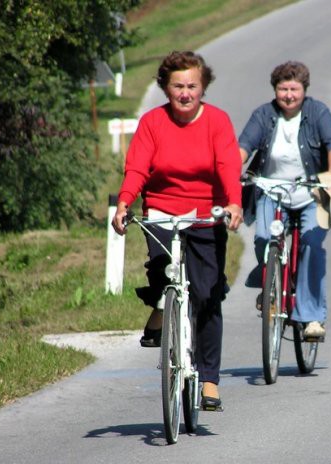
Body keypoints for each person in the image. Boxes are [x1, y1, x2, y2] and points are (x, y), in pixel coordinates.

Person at [112, 51, 243, 410]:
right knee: (160, 272)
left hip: (205, 214)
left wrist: (234, 203)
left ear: (203, 88)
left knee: (207, 295)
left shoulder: (217, 121)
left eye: (192, 86)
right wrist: (125, 202)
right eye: (177, 86)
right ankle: (160, 307)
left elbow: (228, 165)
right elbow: (137, 167)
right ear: (165, 88)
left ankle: (210, 380)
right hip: (162, 211)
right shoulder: (153, 123)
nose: (185, 93)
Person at [238, 61, 331, 339]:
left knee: (311, 245)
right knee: (264, 239)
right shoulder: (263, 114)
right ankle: (270, 287)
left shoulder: (317, 112)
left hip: (310, 193)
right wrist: (232, 171)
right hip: (271, 190)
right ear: (274, 90)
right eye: (282, 89)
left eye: (294, 89)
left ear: (304, 89)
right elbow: (243, 146)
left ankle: (312, 318)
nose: (288, 95)